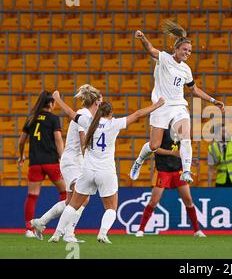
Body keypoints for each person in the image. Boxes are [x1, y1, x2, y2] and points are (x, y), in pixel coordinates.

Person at [47, 91, 164, 244]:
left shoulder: (88, 121)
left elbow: (70, 112)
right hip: (106, 172)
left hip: (88, 171)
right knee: (111, 208)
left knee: (73, 205)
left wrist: (57, 99)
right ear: (111, 113)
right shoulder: (114, 124)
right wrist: (157, 105)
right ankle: (102, 234)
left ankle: (56, 234)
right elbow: (137, 114)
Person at [129, 20, 224, 184]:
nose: (187, 53)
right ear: (176, 48)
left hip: (179, 106)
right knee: (154, 145)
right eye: (185, 49)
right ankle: (139, 161)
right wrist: (143, 38)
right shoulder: (164, 58)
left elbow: (193, 89)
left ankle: (186, 171)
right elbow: (151, 50)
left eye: (190, 51)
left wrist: (213, 100)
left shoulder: (186, 69)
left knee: (186, 136)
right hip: (161, 106)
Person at [30, 84, 102, 243]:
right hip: (73, 161)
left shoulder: (85, 115)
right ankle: (68, 234)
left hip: (75, 161)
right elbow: (84, 141)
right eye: (100, 103)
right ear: (96, 102)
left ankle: (40, 222)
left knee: (72, 200)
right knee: (82, 197)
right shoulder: (84, 114)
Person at [135, 128, 205, 237]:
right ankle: (141, 230)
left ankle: (197, 230)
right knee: (154, 201)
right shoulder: (160, 129)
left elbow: (183, 149)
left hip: (178, 170)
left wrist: (189, 160)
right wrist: (173, 153)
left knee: (188, 200)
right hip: (163, 170)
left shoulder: (181, 130)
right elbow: (154, 149)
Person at [18, 91, 67, 238]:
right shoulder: (53, 119)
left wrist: (21, 156)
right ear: (51, 103)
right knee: (66, 194)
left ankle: (29, 229)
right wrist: (63, 158)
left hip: (35, 163)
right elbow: (58, 140)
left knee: (32, 196)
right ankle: (59, 226)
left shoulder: (31, 118)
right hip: (51, 162)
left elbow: (21, 141)